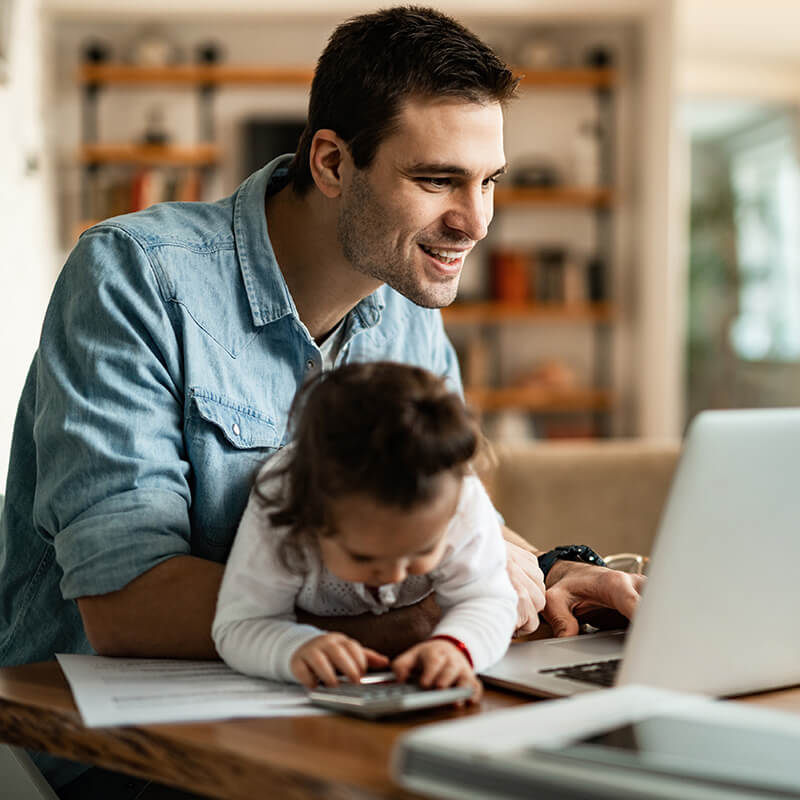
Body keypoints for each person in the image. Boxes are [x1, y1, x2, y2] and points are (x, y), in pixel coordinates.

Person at [0, 5, 644, 795]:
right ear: (333, 163)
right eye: (437, 179)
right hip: (123, 755)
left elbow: (439, 511)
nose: (475, 222)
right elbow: (125, 605)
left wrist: (547, 576)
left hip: (336, 718)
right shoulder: (136, 278)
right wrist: (424, 620)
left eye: (489, 183)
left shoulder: (407, 309)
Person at [213, 361, 518, 702]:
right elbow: (240, 624)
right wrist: (292, 647)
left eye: (421, 552)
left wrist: (457, 646)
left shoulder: (459, 495)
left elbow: (488, 599)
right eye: (363, 556)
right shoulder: (281, 502)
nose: (393, 574)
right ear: (311, 517)